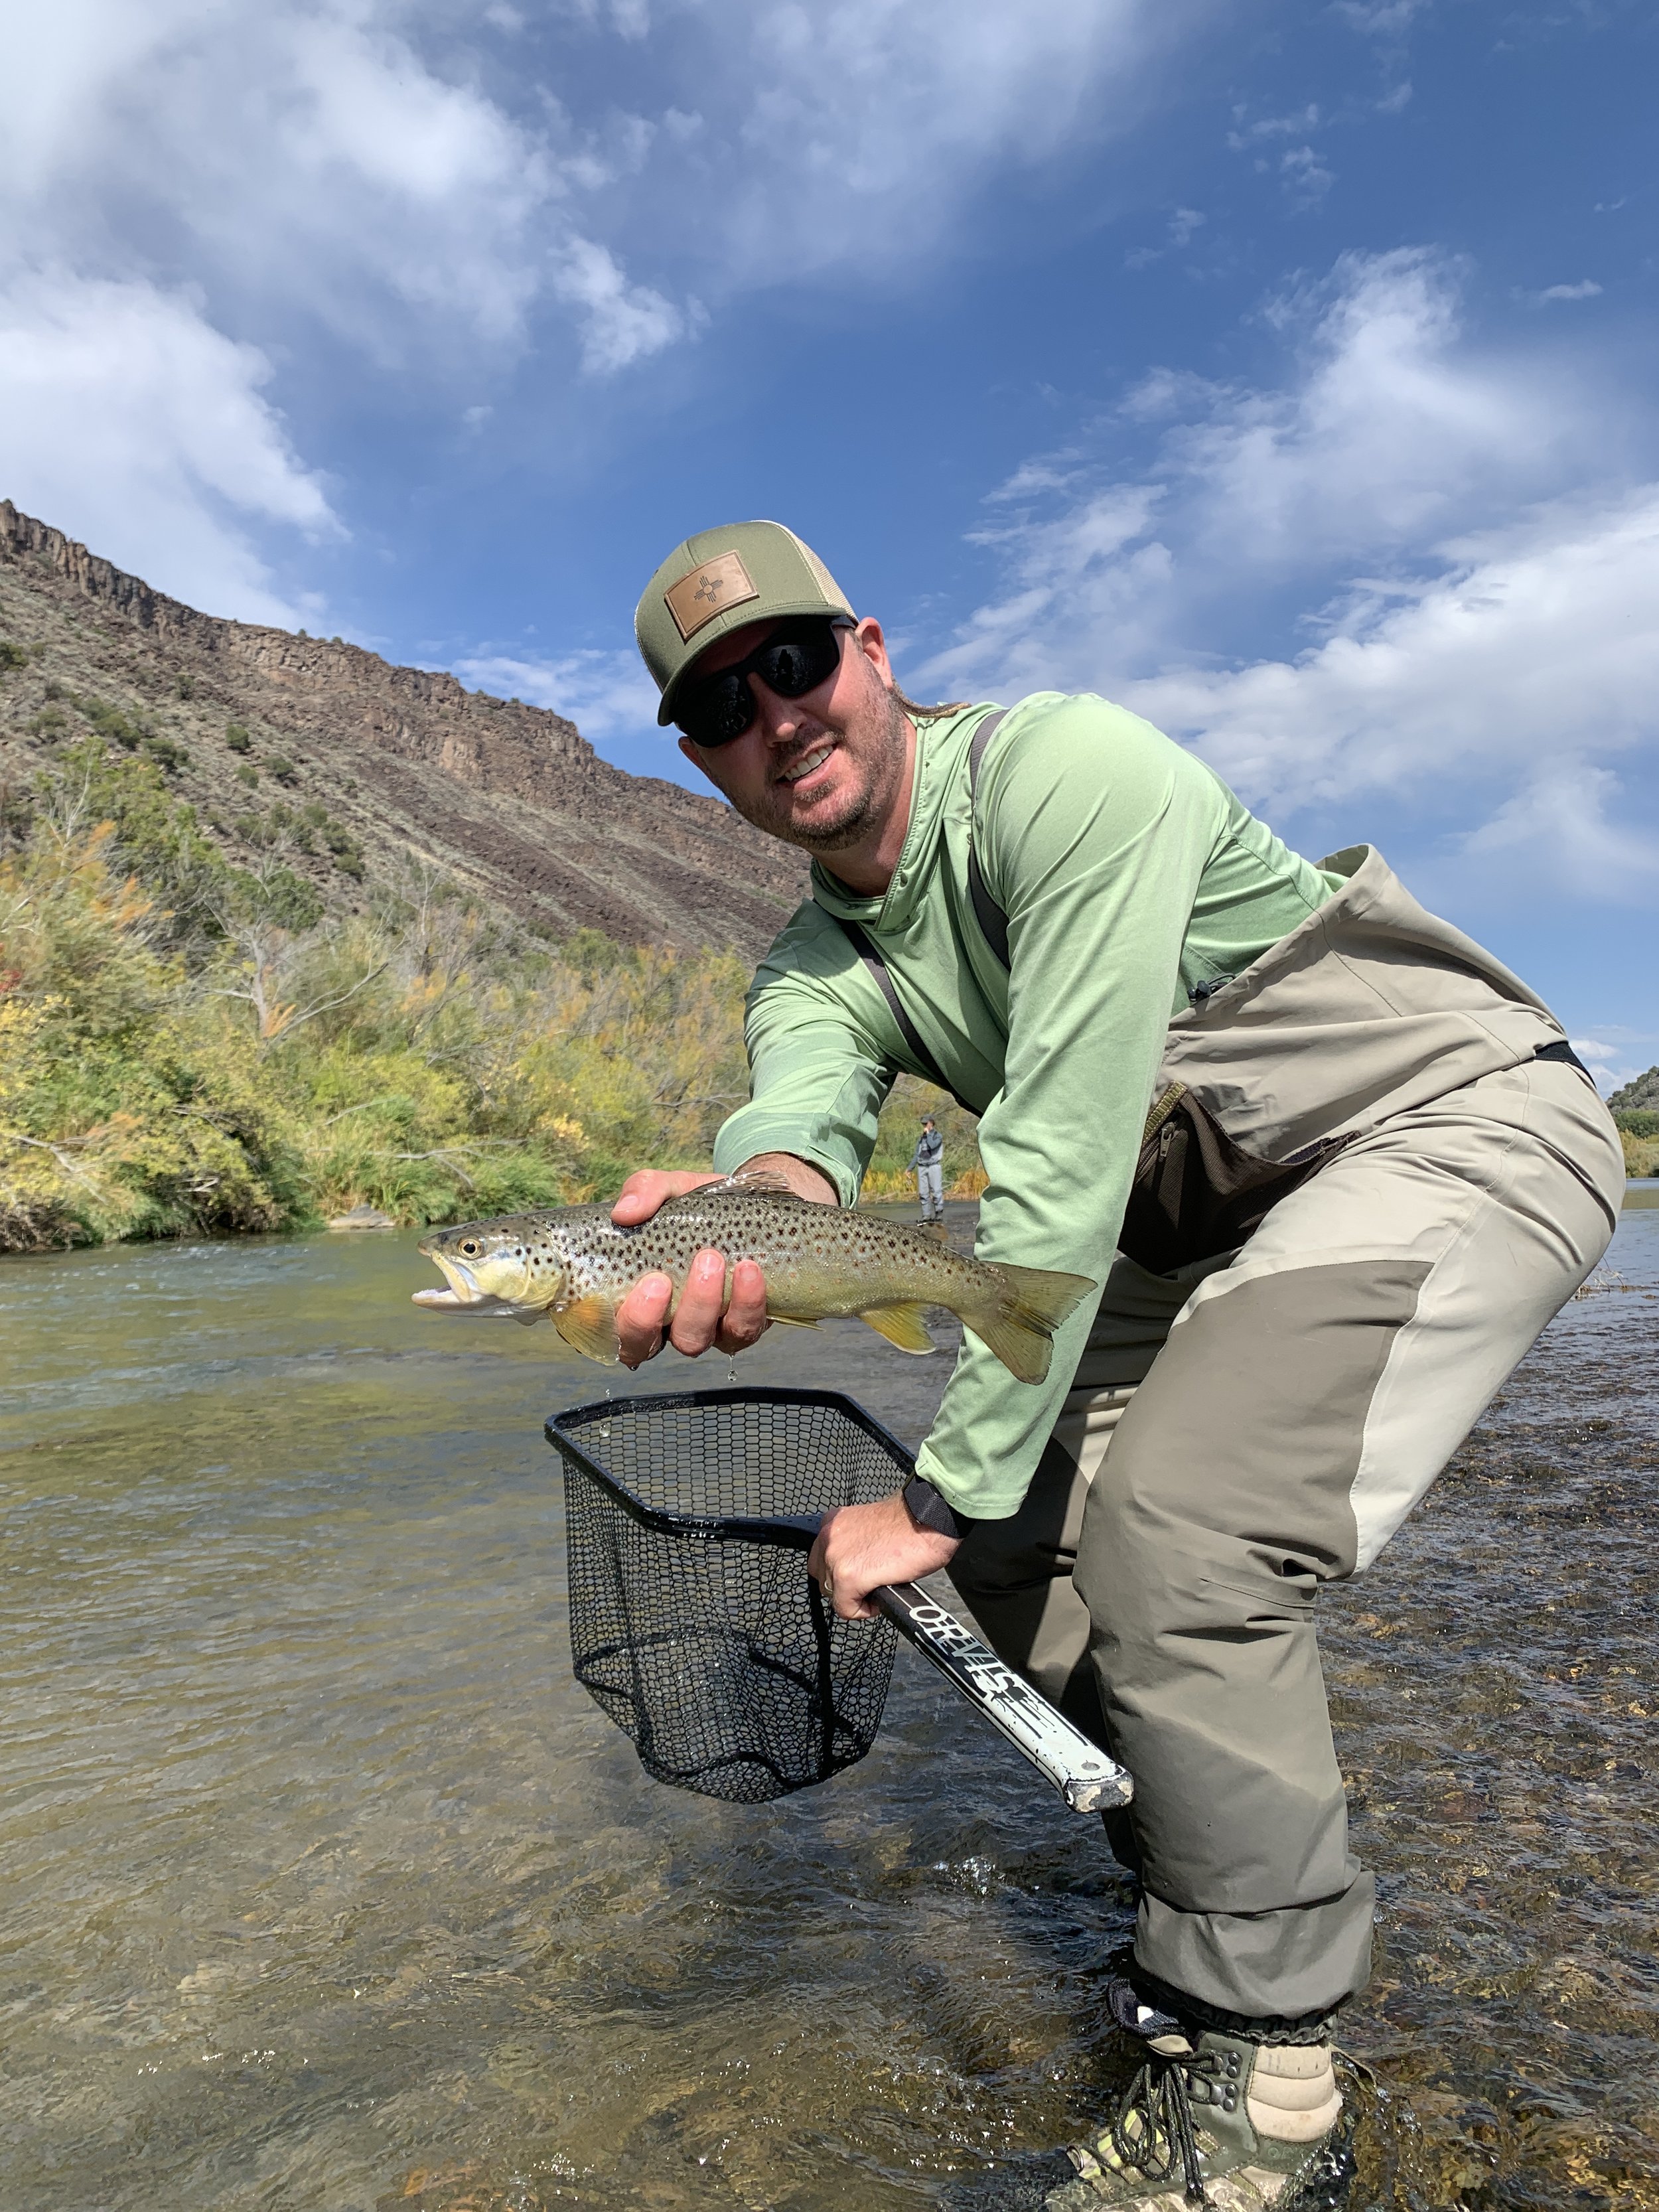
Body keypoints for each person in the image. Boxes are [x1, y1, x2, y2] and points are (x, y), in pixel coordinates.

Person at [606, 520, 1623, 2208]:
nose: (771, 716)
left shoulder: (1067, 770)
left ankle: (1264, 2080)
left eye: (789, 662)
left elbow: (1065, 1165)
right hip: (1203, 1217)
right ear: (700, 759)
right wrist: (748, 1212)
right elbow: (798, 1132)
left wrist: (931, 1485)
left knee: (1179, 1538)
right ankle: (1213, 1894)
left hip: (1447, 1121)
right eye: (718, 704)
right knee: (1009, 1557)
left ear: (869, 649)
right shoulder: (814, 956)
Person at [910, 1114, 945, 1222]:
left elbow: (932, 1145)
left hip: (934, 1166)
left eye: (926, 1123)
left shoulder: (937, 1136)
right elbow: (917, 1155)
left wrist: (928, 1134)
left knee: (936, 1191)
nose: (924, 1125)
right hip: (922, 1167)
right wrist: (909, 1169)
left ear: (931, 1123)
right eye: (923, 1124)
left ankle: (938, 1214)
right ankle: (926, 1216)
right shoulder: (921, 1138)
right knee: (923, 1193)